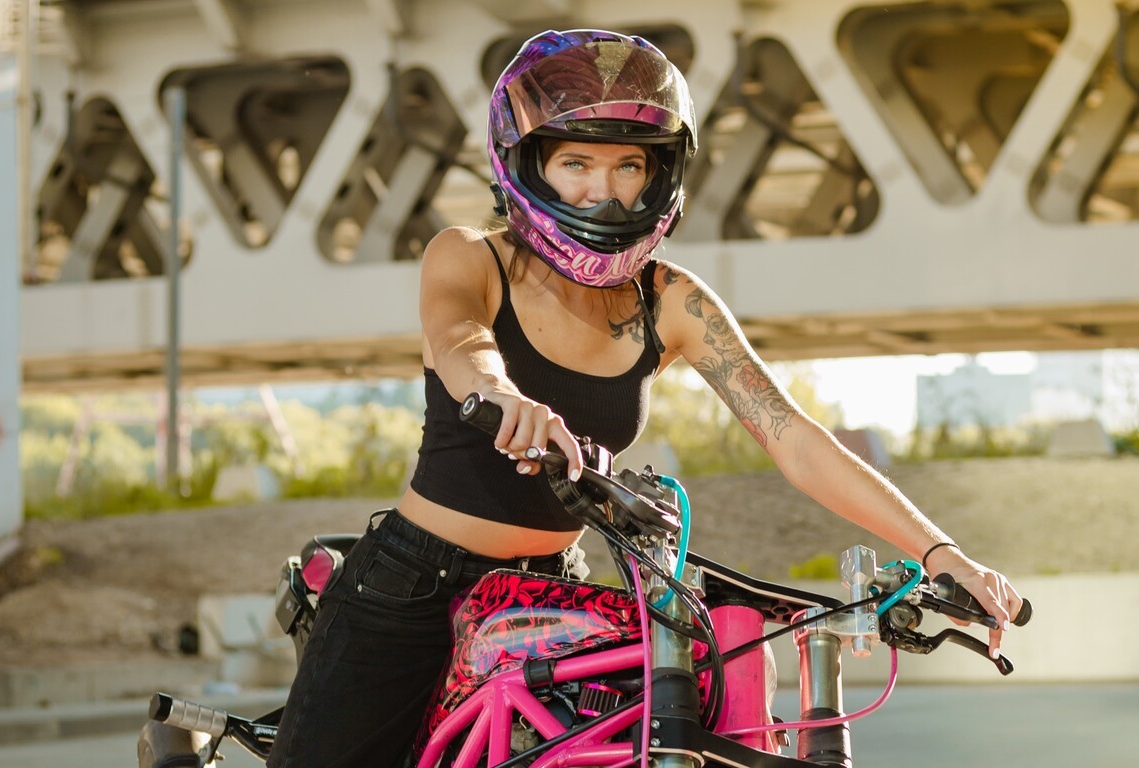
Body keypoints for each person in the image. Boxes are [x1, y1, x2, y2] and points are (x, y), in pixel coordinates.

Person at [267, 29, 1024, 768]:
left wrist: (940, 551)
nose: (604, 189)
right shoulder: (470, 256)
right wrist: (504, 398)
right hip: (412, 586)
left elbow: (790, 434)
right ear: (528, 165)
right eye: (575, 163)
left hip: (550, 595)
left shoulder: (671, 302)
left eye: (629, 164)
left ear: (659, 172)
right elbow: (459, 341)